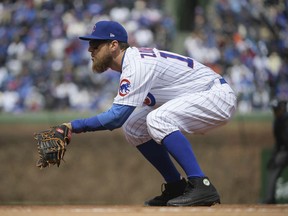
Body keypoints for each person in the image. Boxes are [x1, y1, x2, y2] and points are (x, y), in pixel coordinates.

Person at [61, 20, 237, 206]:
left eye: (95, 45)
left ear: (113, 46)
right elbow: (123, 119)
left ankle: (201, 184)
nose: (90, 50)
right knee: (134, 126)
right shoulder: (132, 63)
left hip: (216, 96)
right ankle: (176, 186)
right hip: (201, 95)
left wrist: (73, 126)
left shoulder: (136, 65)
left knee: (157, 118)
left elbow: (115, 118)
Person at [263, 99, 288, 204]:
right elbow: (278, 143)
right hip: (285, 150)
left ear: (282, 109)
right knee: (274, 166)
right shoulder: (277, 122)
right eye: (274, 110)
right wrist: (273, 156)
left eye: (277, 109)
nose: (275, 112)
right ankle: (270, 198)